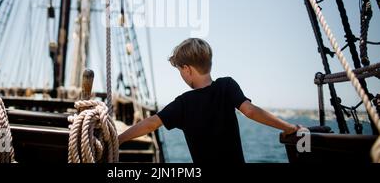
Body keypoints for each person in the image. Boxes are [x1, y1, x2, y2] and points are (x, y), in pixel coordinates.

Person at [118, 38, 301, 163]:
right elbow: (251, 111)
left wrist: (118, 139)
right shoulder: (227, 85)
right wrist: (288, 127)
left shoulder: (183, 103)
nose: (181, 75)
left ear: (187, 69)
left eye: (180, 71)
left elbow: (151, 123)